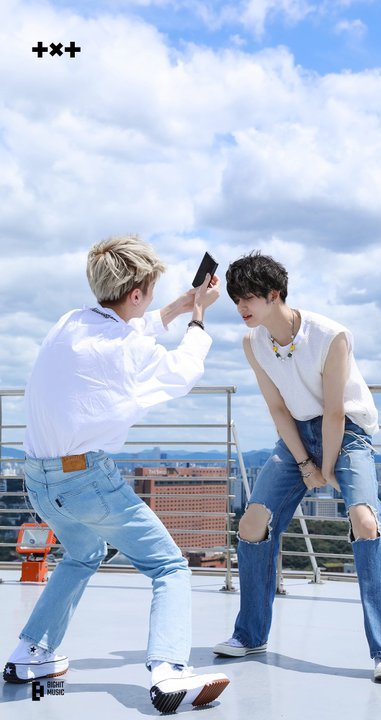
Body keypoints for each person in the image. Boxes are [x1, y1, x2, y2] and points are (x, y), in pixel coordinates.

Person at [3, 235, 230, 713]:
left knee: (84, 552)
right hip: (86, 479)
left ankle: (31, 653)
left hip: (38, 478)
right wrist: (197, 316)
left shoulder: (70, 322)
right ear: (137, 293)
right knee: (168, 566)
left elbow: (132, 327)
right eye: (150, 291)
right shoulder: (128, 349)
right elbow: (182, 370)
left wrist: (178, 305)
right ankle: (169, 670)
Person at [213, 252, 381, 682]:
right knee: (253, 523)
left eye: (248, 298)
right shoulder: (253, 343)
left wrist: (328, 467)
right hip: (296, 436)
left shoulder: (330, 336)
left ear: (273, 294)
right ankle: (250, 634)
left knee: (365, 521)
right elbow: (277, 408)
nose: (241, 307)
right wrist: (305, 463)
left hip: (347, 432)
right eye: (236, 299)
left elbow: (335, 412)